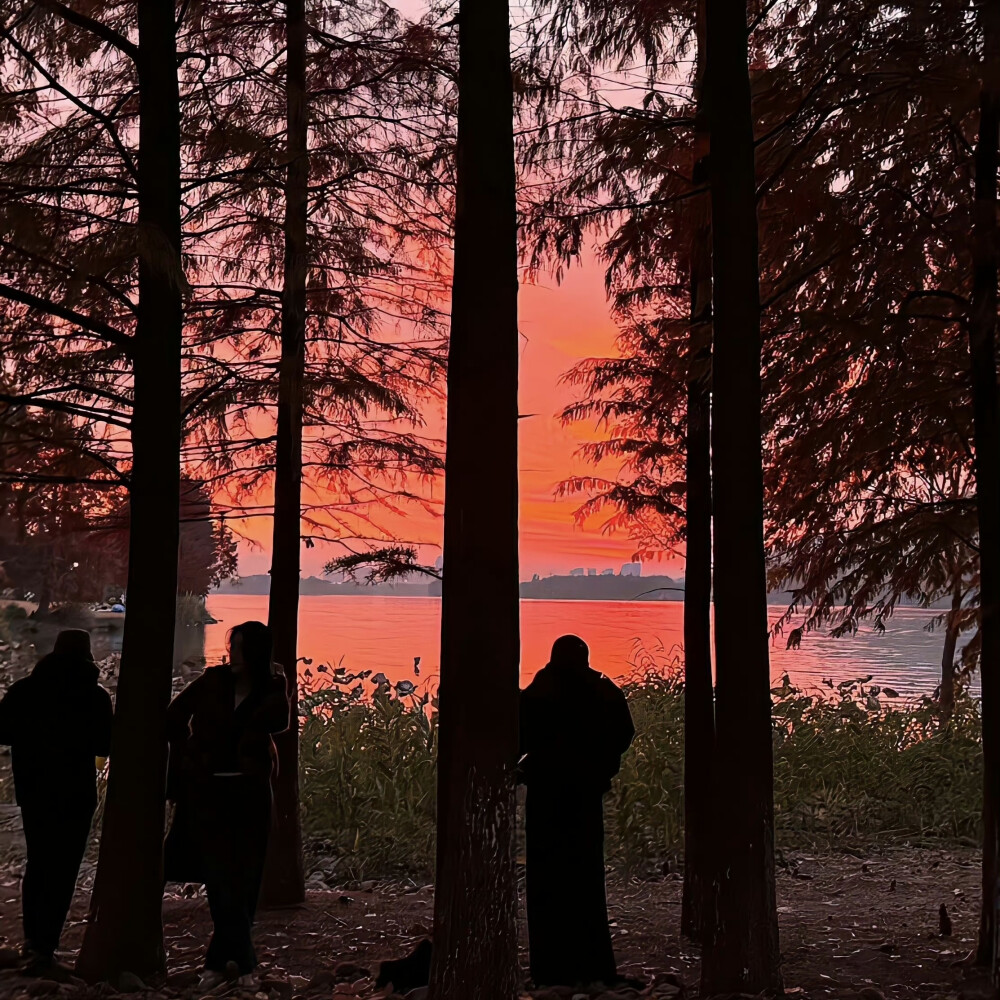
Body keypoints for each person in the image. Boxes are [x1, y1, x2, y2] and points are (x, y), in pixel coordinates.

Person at [165, 621, 289, 991]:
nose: (231, 653)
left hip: (250, 793)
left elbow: (279, 721)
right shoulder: (212, 680)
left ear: (255, 652)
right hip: (209, 792)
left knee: (247, 877)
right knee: (219, 879)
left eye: (238, 647)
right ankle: (245, 962)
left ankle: (218, 963)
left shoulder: (272, 687)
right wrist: (191, 753)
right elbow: (175, 715)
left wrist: (275, 683)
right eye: (230, 646)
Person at [519, 634, 635, 988]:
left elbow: (516, 733)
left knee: (545, 882)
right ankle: (591, 965)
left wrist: (531, 765)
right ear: (585, 657)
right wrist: (601, 768)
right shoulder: (602, 689)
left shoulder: (540, 688)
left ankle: (548, 969)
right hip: (585, 801)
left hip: (544, 801)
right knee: (585, 881)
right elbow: (625, 732)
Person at [0, 629, 113, 974]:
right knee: (64, 870)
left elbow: (1, 731)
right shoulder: (94, 696)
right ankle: (46, 947)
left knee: (38, 863)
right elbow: (104, 747)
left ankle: (32, 941)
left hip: (34, 790)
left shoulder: (24, 691)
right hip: (76, 793)